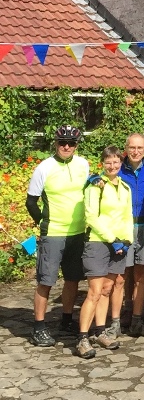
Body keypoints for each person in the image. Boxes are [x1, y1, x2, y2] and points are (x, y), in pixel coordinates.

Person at [26, 125, 90, 347]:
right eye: (62, 142)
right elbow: (31, 202)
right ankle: (39, 327)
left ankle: (66, 319)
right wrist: (43, 223)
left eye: (71, 143)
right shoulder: (44, 168)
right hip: (53, 233)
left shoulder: (83, 165)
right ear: (55, 143)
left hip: (78, 233)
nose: (66, 146)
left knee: (73, 279)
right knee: (46, 281)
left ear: (76, 145)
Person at [75, 146, 133, 358]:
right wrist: (112, 239)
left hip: (119, 245)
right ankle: (82, 338)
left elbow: (128, 216)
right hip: (98, 242)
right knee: (95, 291)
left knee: (108, 289)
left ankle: (100, 332)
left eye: (116, 162)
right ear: (102, 163)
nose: (112, 166)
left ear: (121, 163)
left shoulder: (125, 187)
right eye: (108, 162)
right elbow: (91, 216)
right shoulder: (96, 185)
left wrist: (127, 240)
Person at [119, 133, 144, 338]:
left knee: (142, 273)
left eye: (139, 148)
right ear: (126, 148)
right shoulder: (118, 169)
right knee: (124, 272)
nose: (135, 152)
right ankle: (127, 307)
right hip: (124, 226)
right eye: (132, 148)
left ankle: (140, 312)